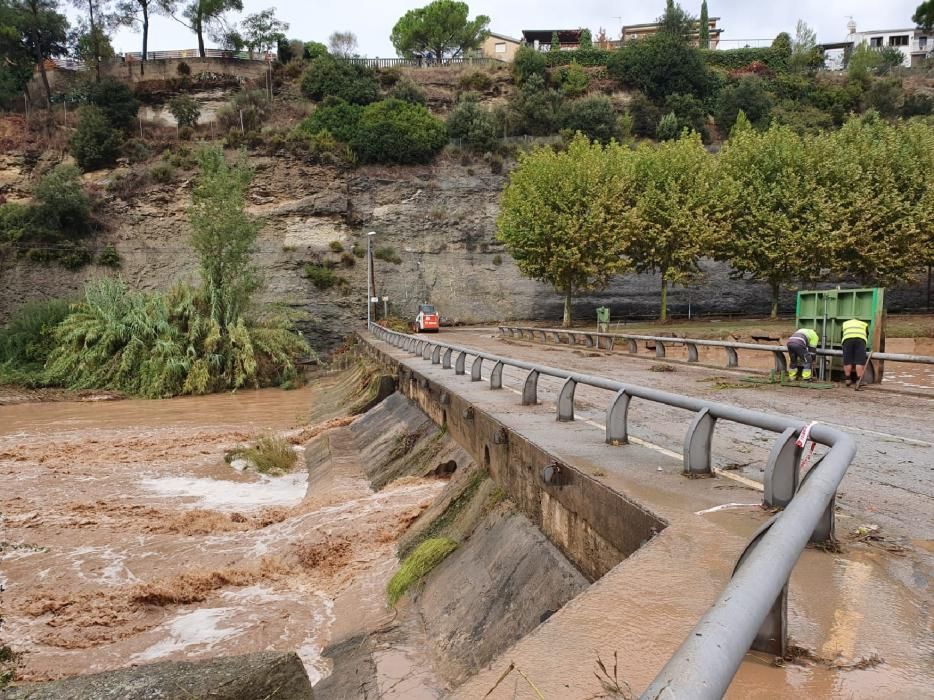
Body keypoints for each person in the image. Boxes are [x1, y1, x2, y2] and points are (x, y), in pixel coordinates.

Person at [841, 317, 869, 387]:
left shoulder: (845, 324)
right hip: (860, 340)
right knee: (859, 361)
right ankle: (859, 380)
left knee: (847, 360)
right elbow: (866, 335)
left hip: (847, 340)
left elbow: (841, 335)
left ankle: (847, 379)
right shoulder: (864, 324)